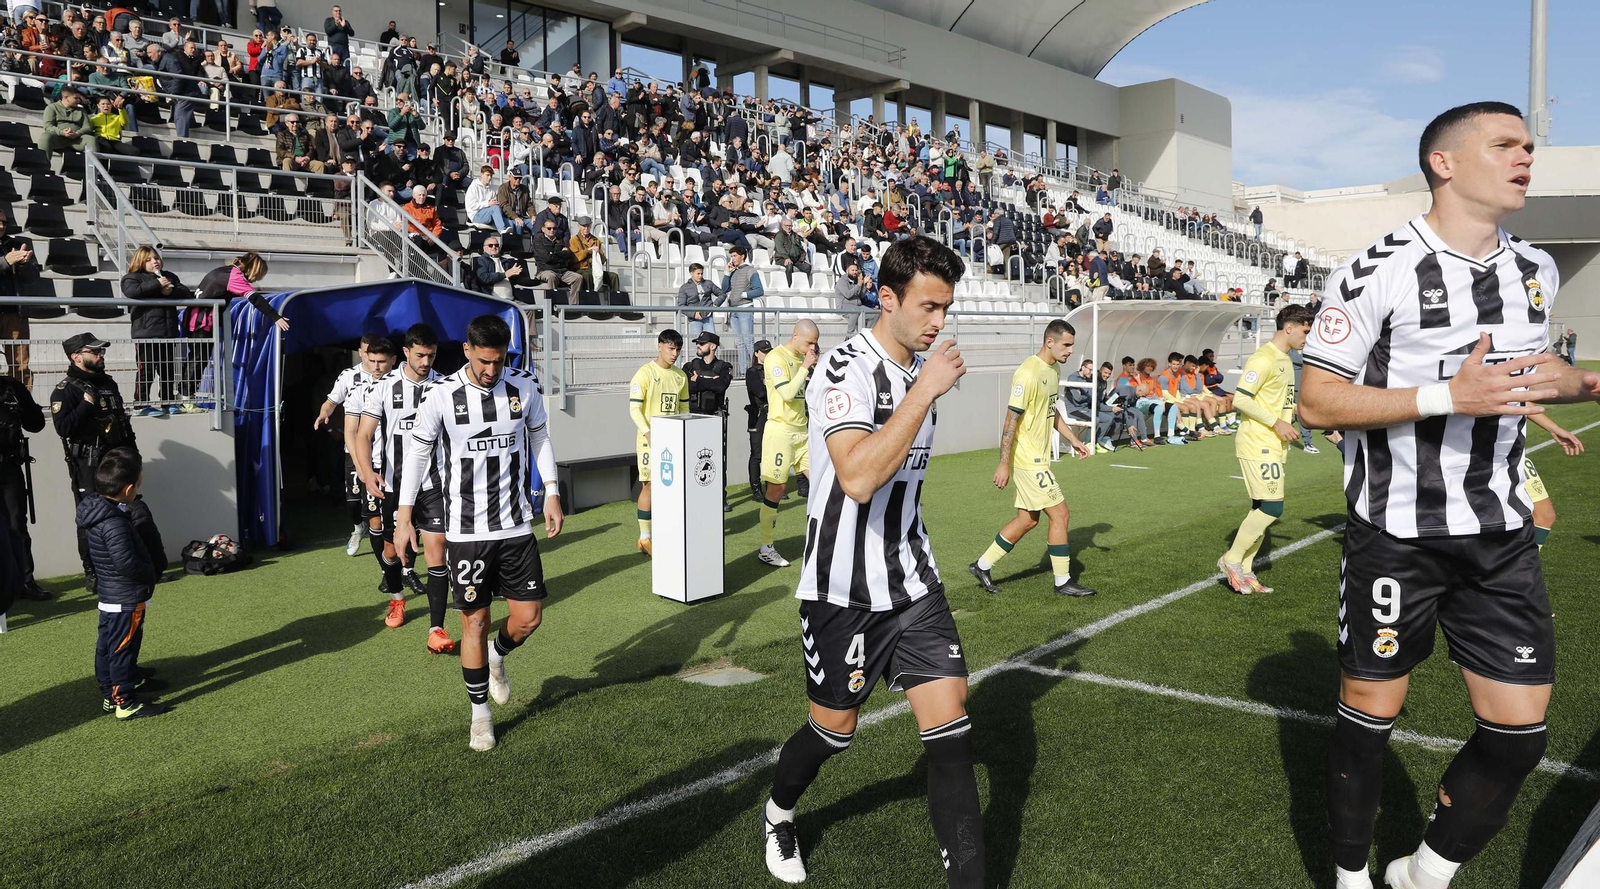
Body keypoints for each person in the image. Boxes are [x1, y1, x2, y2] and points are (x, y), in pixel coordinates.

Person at [1298, 102, 1600, 889]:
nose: (1525, 157)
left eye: (1528, 146)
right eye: (1505, 144)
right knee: (1368, 719)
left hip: (1499, 534)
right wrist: (1444, 397)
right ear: (1445, 161)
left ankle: (1424, 871)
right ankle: (1349, 874)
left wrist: (1572, 386)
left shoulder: (1535, 268)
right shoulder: (1378, 267)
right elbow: (1318, 401)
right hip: (1397, 532)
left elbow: (1525, 381)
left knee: (1518, 734)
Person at [761, 235, 984, 888]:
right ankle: (778, 812)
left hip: (914, 582)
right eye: (929, 306)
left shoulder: (919, 370)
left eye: (947, 308)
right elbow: (857, 477)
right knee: (834, 731)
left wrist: (923, 387)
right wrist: (925, 392)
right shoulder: (843, 369)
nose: (940, 321)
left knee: (952, 737)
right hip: (840, 590)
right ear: (886, 299)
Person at [396, 315, 563, 752]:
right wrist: (403, 513)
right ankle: (479, 716)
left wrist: (551, 492)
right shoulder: (442, 396)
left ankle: (497, 657)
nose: (492, 370)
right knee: (474, 621)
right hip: (466, 531)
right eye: (484, 361)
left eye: (499, 360)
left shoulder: (523, 387)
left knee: (529, 618)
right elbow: (417, 454)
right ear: (467, 350)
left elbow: (541, 438)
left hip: (515, 525)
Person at [967, 320, 1095, 599]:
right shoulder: (1028, 373)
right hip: (1028, 460)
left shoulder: (1053, 368)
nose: (1071, 350)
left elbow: (1051, 411)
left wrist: (1072, 439)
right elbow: (1010, 420)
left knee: (1027, 520)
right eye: (1067, 345)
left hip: (1039, 458)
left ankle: (982, 565)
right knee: (1060, 513)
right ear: (1050, 342)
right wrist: (1003, 463)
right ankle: (1063, 581)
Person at [352, 325, 447, 645]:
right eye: (420, 355)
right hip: (392, 483)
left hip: (434, 483)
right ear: (405, 352)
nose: (426, 361)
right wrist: (366, 471)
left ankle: (436, 627)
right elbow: (362, 435)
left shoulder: (444, 386)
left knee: (437, 549)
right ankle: (397, 597)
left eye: (431, 355)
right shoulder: (384, 386)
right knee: (393, 551)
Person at [1217, 303, 1315, 595]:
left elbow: (1280, 400)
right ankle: (1231, 559)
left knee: (1262, 507)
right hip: (1258, 441)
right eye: (1305, 331)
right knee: (1273, 507)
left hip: (1274, 443)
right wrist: (1277, 424)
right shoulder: (1263, 359)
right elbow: (1241, 400)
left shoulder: (1286, 359)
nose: (1306, 337)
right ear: (1289, 327)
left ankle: (1246, 572)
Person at [52, 333, 141, 594]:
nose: (101, 356)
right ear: (76, 356)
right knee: (90, 516)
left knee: (130, 511)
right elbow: (63, 428)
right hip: (88, 463)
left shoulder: (108, 384)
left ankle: (133, 567)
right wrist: (85, 405)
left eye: (101, 352)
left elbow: (122, 421)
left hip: (118, 458)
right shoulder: (66, 389)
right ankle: (92, 572)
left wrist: (134, 457)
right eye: (95, 352)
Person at [82, 447, 165, 719]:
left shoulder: (99, 511)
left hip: (112, 594)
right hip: (125, 597)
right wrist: (149, 572)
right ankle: (125, 703)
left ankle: (110, 695)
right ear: (129, 489)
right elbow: (126, 563)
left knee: (108, 647)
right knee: (121, 650)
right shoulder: (114, 522)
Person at [313, 335, 393, 556]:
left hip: (387, 453)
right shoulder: (351, 378)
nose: (373, 360)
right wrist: (323, 414)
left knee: (385, 503)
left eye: (378, 356)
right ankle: (358, 529)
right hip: (356, 452)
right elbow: (332, 402)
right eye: (368, 353)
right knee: (353, 502)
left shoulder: (396, 379)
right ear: (361, 352)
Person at [756, 320, 818, 568]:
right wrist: (805, 368)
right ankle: (766, 547)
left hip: (802, 431)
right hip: (780, 431)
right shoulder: (776, 358)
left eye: (815, 343)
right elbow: (787, 394)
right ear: (795, 335)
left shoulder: (804, 360)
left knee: (821, 482)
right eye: (809, 342)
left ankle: (825, 540)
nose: (813, 347)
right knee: (777, 490)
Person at [627, 330, 689, 556]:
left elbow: (684, 409)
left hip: (672, 439)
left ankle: (666, 531)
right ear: (659, 346)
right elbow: (634, 409)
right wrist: (648, 433)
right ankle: (645, 537)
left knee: (671, 485)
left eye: (678, 349)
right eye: (671, 348)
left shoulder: (680, 376)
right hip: (649, 442)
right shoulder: (644, 374)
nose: (675, 354)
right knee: (650, 485)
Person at [120, 246, 190, 415]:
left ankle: (168, 402)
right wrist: (157, 284)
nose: (154, 262)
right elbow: (131, 292)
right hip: (146, 333)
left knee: (167, 370)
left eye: (156, 258)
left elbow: (185, 292)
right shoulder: (132, 277)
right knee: (147, 370)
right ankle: (141, 404)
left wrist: (170, 291)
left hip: (168, 331)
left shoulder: (170, 276)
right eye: (149, 259)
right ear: (140, 262)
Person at [0, 372, 45, 601]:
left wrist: (24, 403)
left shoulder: (12, 389)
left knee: (17, 524)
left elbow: (36, 424)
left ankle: (24, 582)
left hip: (8, 466)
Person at [686, 331, 735, 512]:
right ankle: (694, 495)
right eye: (698, 343)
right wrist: (708, 381)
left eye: (702, 343)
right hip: (693, 417)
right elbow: (688, 386)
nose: (698, 345)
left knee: (717, 460)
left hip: (714, 417)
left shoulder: (724, 366)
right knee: (692, 459)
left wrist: (699, 379)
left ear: (713, 346)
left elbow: (721, 385)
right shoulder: (690, 365)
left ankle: (720, 497)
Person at [1521, 413, 1581, 551]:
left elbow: (1521, 398)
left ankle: (1521, 569)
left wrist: (1553, 428)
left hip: (1514, 455)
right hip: (1487, 456)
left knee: (1545, 516)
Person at [721, 245, 764, 369]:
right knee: (739, 342)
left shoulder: (750, 270)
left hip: (745, 309)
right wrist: (727, 273)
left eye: (734, 256)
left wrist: (744, 294)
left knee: (748, 341)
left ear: (742, 256)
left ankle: (755, 368)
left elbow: (759, 290)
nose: (732, 259)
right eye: (731, 256)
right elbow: (724, 289)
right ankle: (743, 370)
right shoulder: (733, 271)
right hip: (733, 310)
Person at [530, 216, 583, 305]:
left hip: (561, 270)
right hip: (544, 270)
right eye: (549, 228)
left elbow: (569, 255)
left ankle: (573, 305)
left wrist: (553, 253)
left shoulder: (559, 240)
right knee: (551, 277)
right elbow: (546, 258)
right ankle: (553, 304)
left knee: (578, 278)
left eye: (554, 228)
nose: (552, 230)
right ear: (543, 229)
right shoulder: (538, 241)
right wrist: (559, 253)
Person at [744, 340, 771, 501]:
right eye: (764, 351)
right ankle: (756, 489)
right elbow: (761, 392)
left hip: (773, 414)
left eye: (768, 351)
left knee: (771, 453)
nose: (767, 354)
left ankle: (771, 487)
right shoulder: (752, 372)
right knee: (757, 455)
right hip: (758, 415)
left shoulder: (773, 370)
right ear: (756, 353)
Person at [677, 262, 724, 341]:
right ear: (691, 273)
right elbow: (681, 305)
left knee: (711, 341)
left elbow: (722, 294)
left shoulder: (708, 283)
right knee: (698, 343)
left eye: (702, 273)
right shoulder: (684, 287)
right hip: (694, 320)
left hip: (708, 317)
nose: (700, 276)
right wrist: (694, 314)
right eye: (698, 274)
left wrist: (714, 306)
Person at [42, 85, 92, 153]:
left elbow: (88, 127)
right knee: (45, 137)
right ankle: (44, 162)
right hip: (58, 137)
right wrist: (62, 132)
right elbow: (48, 126)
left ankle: (93, 164)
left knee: (91, 140)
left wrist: (77, 133)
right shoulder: (52, 107)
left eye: (78, 98)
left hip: (77, 139)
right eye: (75, 98)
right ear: (66, 97)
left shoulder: (81, 110)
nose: (78, 101)